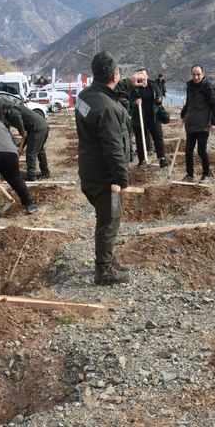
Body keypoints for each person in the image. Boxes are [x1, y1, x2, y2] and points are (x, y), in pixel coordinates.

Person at [75, 50, 146, 286]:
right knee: (110, 219)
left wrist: (127, 82)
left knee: (105, 217)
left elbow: (103, 91)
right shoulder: (108, 109)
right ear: (114, 74)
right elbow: (114, 149)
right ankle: (103, 270)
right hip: (107, 178)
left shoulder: (85, 96)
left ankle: (107, 257)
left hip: (90, 171)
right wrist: (122, 181)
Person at [179, 65, 215, 183]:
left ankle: (206, 175)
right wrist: (183, 115)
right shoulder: (190, 86)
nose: (196, 77)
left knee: (201, 151)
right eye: (194, 74)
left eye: (198, 74)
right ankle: (189, 175)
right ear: (191, 74)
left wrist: (214, 123)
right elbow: (188, 103)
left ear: (203, 74)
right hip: (191, 124)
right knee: (188, 150)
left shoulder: (208, 87)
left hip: (203, 125)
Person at [0, 100, 51, 181]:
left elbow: (24, 132)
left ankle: (31, 177)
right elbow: (26, 134)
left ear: (5, 110)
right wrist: (21, 146)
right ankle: (45, 173)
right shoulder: (15, 109)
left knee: (31, 153)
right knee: (40, 150)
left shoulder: (13, 112)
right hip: (41, 127)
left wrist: (22, 132)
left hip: (37, 129)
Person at [128, 69, 168, 168]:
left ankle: (162, 158)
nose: (142, 80)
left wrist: (159, 100)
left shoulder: (153, 85)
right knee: (140, 140)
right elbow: (130, 103)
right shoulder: (134, 88)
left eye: (144, 77)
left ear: (147, 76)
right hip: (139, 118)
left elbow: (159, 98)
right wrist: (135, 102)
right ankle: (142, 160)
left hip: (153, 116)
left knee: (158, 137)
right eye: (140, 78)